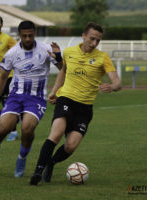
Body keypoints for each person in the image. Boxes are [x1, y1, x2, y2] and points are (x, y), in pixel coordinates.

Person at [30, 22, 122, 185]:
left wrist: (112, 86)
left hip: (85, 108)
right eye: (92, 39)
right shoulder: (70, 52)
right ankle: (38, 172)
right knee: (56, 134)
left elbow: (117, 83)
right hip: (66, 99)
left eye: (98, 41)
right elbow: (63, 72)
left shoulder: (102, 58)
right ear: (84, 36)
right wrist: (54, 91)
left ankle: (51, 163)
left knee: (70, 146)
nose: (94, 43)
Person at [0, 20, 63, 178]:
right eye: (24, 36)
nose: (28, 39)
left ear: (34, 33)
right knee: (3, 128)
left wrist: (58, 57)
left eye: (31, 35)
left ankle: (22, 157)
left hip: (36, 98)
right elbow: (2, 78)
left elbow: (62, 69)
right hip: (15, 97)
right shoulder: (12, 53)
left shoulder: (45, 49)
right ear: (20, 35)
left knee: (26, 128)